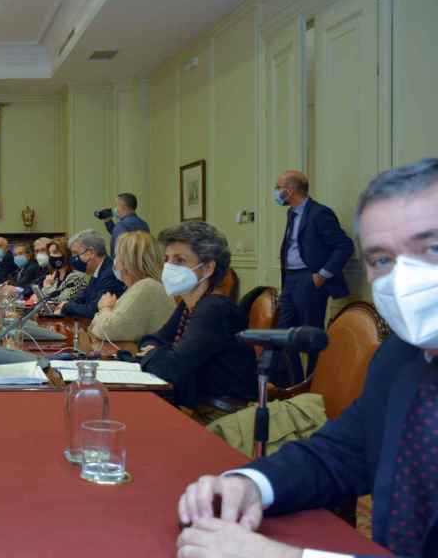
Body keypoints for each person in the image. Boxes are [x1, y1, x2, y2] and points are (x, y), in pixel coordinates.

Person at [176, 159, 438, 558]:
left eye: (431, 248)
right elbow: (340, 454)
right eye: (383, 259)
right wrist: (250, 483)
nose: (405, 276)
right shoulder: (400, 358)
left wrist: (285, 557)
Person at [136, 221, 256, 412]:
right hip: (196, 405)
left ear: (207, 268)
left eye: (180, 260)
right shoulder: (188, 303)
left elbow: (173, 368)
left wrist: (153, 353)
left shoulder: (213, 309)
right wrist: (159, 352)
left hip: (220, 415)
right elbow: (153, 339)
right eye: (167, 259)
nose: (168, 266)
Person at [274, 170, 355, 385]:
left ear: (289, 190)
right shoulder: (291, 213)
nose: (276, 192)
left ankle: (313, 387)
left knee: (311, 337)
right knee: (284, 334)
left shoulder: (320, 214)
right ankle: (295, 385)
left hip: (309, 280)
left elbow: (344, 245)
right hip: (290, 280)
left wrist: (322, 275)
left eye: (278, 187)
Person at [89, 231, 175, 344]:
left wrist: (104, 308)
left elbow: (106, 330)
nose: (114, 262)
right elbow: (94, 327)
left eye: (117, 255)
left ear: (127, 261)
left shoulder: (147, 286)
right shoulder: (139, 286)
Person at [54, 230, 125, 319]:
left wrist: (66, 307)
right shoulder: (98, 270)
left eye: (75, 253)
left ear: (90, 252)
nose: (73, 259)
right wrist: (65, 304)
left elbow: (93, 311)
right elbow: (83, 298)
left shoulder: (110, 273)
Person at [38, 237, 91, 304]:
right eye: (49, 253)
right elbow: (42, 300)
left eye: (55, 252)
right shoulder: (55, 276)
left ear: (66, 253)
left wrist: (47, 287)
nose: (51, 256)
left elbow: (62, 299)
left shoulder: (77, 276)